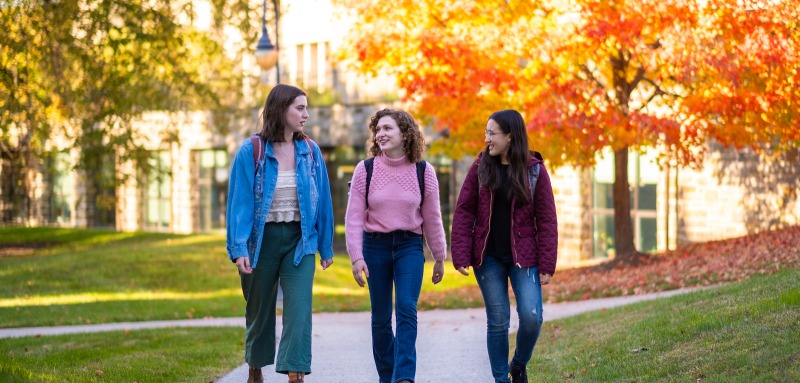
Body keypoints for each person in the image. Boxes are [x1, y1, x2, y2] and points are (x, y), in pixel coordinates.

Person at [226, 84, 334, 383]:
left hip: (300, 242)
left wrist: (325, 246)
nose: (306, 114)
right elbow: (240, 203)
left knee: (299, 310)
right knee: (260, 313)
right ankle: (255, 366)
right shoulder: (253, 151)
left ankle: (295, 374)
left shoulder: (310, 152)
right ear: (281, 109)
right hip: (261, 242)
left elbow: (323, 199)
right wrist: (239, 248)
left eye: (306, 107)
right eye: (300, 108)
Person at [450, 109, 558, 383]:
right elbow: (464, 211)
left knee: (532, 317)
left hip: (525, 257)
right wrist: (461, 254)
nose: (486, 139)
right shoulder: (480, 167)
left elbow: (546, 220)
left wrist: (547, 265)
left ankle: (519, 364)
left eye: (491, 133)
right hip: (488, 258)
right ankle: (501, 379)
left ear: (510, 136)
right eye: (486, 132)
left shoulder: (534, 172)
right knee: (498, 320)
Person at [345, 108, 447, 383]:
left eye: (387, 128)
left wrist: (439, 255)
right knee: (380, 316)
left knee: (406, 308)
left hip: (409, 247)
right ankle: (387, 376)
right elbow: (353, 218)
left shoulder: (424, 171)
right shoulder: (365, 170)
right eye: (378, 129)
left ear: (405, 133)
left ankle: (403, 377)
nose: (381, 134)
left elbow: (432, 217)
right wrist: (356, 257)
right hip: (374, 247)